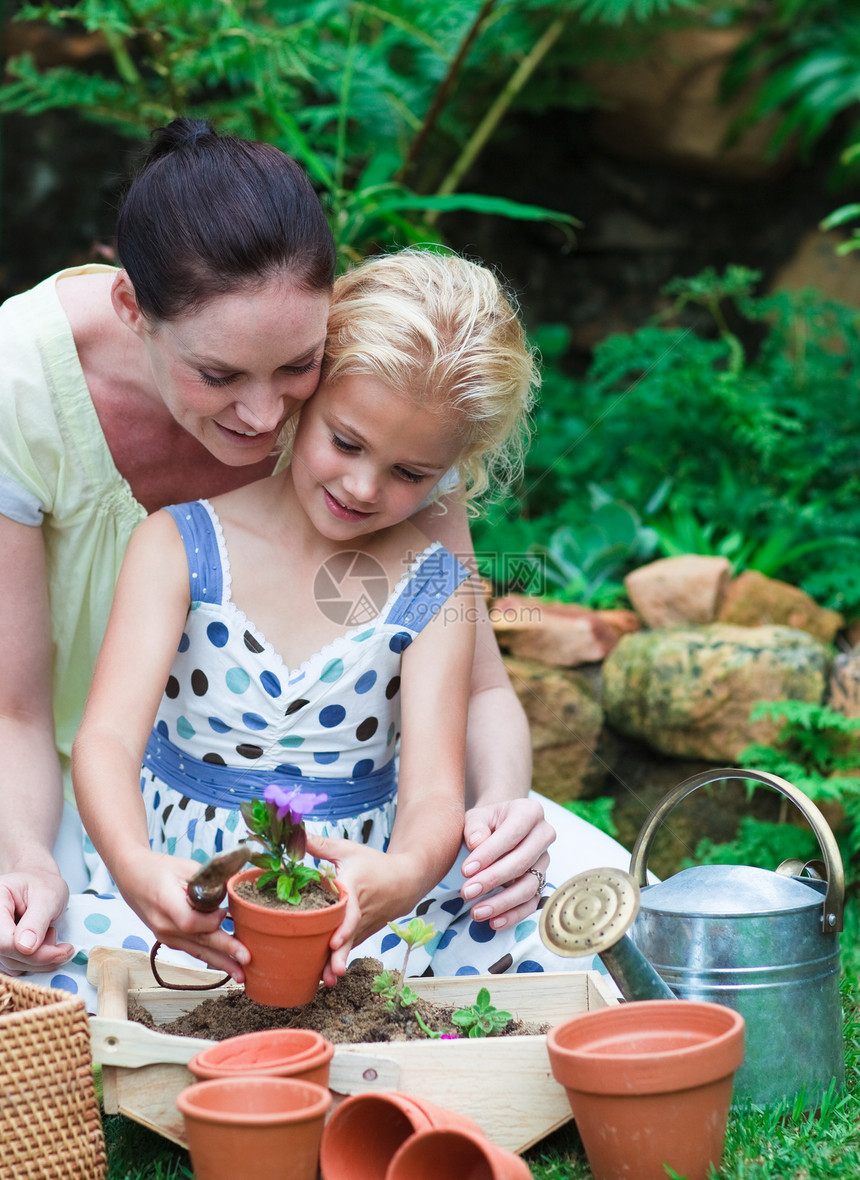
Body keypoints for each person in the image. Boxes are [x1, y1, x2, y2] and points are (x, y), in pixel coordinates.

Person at [0, 119, 631, 1003]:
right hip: (88, 811)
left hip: (355, 856)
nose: (263, 416)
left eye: (296, 368)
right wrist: (60, 859)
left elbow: (465, 720)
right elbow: (34, 718)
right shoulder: (146, 506)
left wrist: (454, 846)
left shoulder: (392, 396)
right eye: (220, 377)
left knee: (588, 931)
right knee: (36, 942)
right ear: (134, 312)